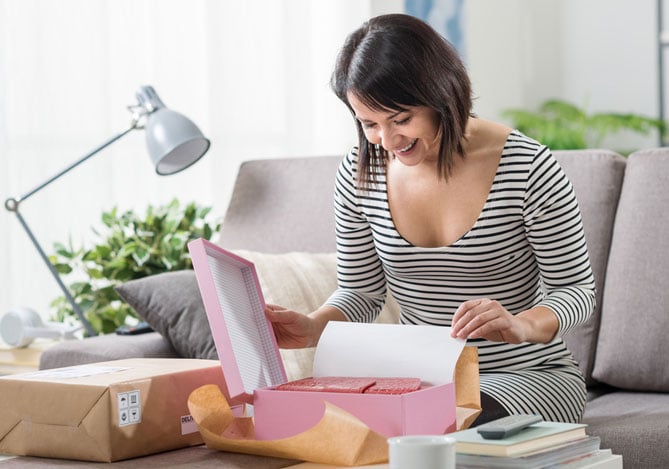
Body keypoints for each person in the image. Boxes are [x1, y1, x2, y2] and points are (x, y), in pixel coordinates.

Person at [265, 13, 595, 425]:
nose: (387, 141)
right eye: (369, 124)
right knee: (320, 422)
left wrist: (521, 324)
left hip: (527, 377)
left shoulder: (528, 167)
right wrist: (313, 327)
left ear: (442, 94)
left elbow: (577, 290)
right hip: (423, 381)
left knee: (440, 419)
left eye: (401, 119)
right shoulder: (359, 172)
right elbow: (362, 294)